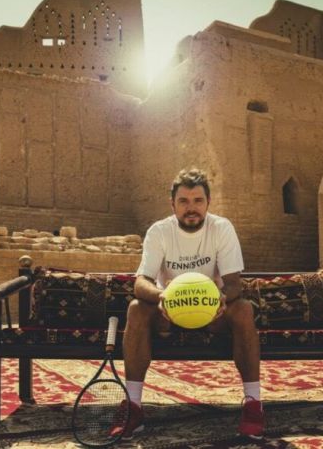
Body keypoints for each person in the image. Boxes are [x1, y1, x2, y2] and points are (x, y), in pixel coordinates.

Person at [111, 167, 264, 440]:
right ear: (172, 204)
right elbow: (141, 282)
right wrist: (161, 297)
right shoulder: (159, 231)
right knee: (136, 309)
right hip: (167, 314)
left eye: (197, 201)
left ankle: (253, 405)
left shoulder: (221, 228)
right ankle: (133, 407)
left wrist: (221, 299)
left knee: (244, 309)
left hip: (212, 312)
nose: (191, 208)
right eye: (183, 201)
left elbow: (234, 284)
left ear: (208, 203)